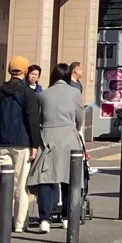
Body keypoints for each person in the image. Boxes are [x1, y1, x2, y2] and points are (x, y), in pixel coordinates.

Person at [0, 56, 44, 233]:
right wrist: (35, 144)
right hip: (22, 142)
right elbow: (32, 120)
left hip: (2, 141)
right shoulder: (27, 93)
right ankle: (18, 224)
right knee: (20, 184)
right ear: (25, 71)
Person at [34, 64, 85, 229]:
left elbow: (39, 118)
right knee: (69, 178)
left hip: (47, 138)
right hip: (69, 137)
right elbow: (79, 117)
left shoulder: (42, 95)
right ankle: (66, 217)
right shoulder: (75, 93)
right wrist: (74, 129)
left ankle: (44, 219)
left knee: (45, 179)